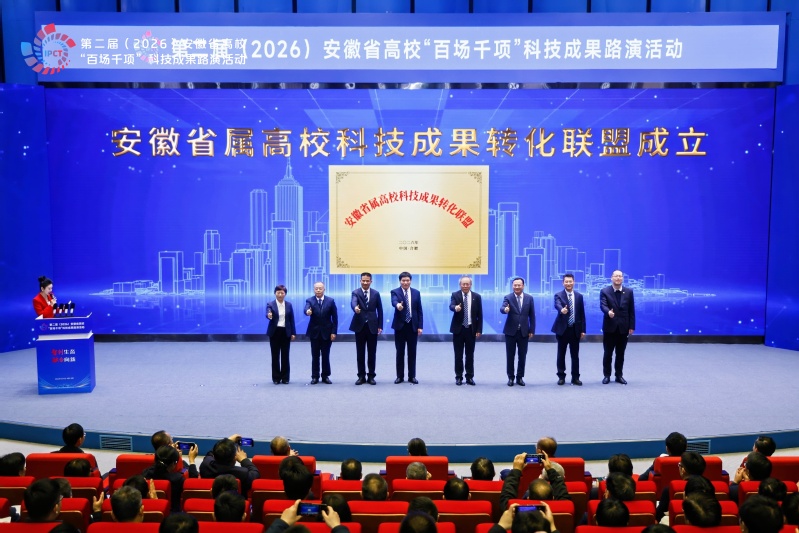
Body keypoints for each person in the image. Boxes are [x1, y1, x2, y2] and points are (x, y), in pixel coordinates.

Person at [599, 270, 635, 384]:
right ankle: (607, 375)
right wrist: (608, 312)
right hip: (610, 327)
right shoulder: (605, 291)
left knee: (620, 353)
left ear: (622, 278)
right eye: (616, 276)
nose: (618, 278)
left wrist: (632, 326)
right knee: (608, 353)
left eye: (620, 276)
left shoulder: (629, 292)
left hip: (624, 328)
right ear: (611, 278)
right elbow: (603, 305)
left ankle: (619, 375)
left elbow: (631, 310)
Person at [551, 273, 585, 386]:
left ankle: (575, 377)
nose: (568, 283)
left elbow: (582, 314)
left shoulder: (579, 296)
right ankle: (561, 377)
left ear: (574, 282)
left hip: (575, 329)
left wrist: (583, 330)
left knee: (575, 355)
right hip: (563, 330)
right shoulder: (558, 295)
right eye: (566, 282)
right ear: (563, 283)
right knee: (561, 354)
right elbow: (557, 304)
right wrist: (562, 310)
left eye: (570, 281)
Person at [500, 277, 535, 387]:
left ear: (523, 286)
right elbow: (502, 308)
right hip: (510, 332)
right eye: (515, 285)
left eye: (519, 285)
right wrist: (505, 310)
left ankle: (520, 377)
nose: (517, 287)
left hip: (524, 332)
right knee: (510, 355)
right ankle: (510, 377)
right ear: (512, 286)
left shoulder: (529, 298)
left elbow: (532, 315)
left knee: (522, 356)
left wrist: (532, 329)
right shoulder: (508, 297)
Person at [143, 444, 199, 512]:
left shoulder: (146, 473)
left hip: (151, 510)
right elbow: (193, 485)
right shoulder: (177, 479)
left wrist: (168, 452)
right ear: (173, 464)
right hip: (173, 513)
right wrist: (191, 460)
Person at [350, 272, 383, 385]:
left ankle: (371, 376)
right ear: (360, 281)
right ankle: (361, 376)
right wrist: (355, 308)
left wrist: (380, 325)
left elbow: (380, 310)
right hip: (359, 326)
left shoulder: (376, 293)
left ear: (371, 281)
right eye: (363, 280)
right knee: (360, 353)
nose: (365, 282)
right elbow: (353, 302)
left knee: (372, 353)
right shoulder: (355, 292)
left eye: (367, 281)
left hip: (372, 326)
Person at [449, 276, 483, 386]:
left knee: (470, 355)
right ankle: (459, 377)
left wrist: (479, 329)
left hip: (471, 330)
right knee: (458, 355)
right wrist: (456, 308)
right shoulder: (455, 295)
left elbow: (480, 315)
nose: (465, 286)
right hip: (458, 330)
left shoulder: (477, 297)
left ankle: (469, 377)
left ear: (470, 285)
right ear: (460, 285)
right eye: (463, 284)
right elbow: (451, 305)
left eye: (467, 284)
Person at [391, 272, 423, 384]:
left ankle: (412, 376)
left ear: (410, 281)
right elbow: (394, 301)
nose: (405, 282)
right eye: (403, 280)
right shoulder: (395, 292)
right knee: (400, 352)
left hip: (412, 326)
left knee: (412, 352)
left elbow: (419, 310)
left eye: (407, 280)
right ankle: (400, 376)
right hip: (400, 327)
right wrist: (398, 305)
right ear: (400, 281)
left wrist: (420, 326)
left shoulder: (416, 293)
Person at [305, 282, 338, 384]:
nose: (318, 290)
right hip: (314, 333)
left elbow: (335, 318)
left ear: (324, 289)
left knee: (325, 355)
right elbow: (306, 309)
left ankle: (325, 376)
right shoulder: (310, 300)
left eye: (320, 288)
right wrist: (307, 312)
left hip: (327, 333)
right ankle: (315, 376)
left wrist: (334, 332)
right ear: (314, 290)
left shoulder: (330, 301)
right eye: (316, 288)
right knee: (315, 356)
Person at [266, 284, 297, 385]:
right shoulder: (270, 304)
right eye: (278, 292)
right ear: (275, 293)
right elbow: (268, 312)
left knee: (285, 355)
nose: (280, 295)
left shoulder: (289, 305)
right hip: (274, 332)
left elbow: (291, 319)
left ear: (285, 294)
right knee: (275, 356)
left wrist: (293, 332)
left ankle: (285, 378)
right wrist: (269, 315)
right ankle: (276, 378)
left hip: (286, 332)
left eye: (282, 293)